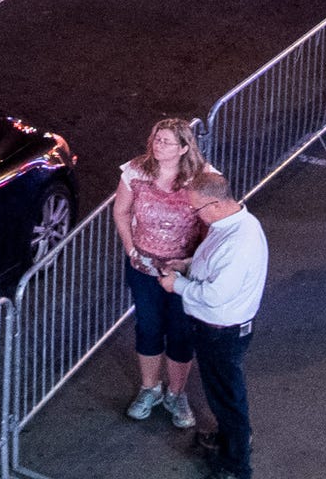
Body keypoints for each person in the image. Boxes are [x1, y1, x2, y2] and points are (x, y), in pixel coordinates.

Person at [111, 118, 213, 430]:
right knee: (149, 327)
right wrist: (131, 250)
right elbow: (121, 211)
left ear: (184, 147)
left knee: (181, 332)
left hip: (184, 273)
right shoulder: (136, 171)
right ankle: (149, 388)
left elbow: (213, 225)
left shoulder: (203, 179)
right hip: (144, 269)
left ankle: (176, 393)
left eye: (167, 141)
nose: (158, 145)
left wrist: (190, 260)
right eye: (157, 139)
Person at [160, 176, 265, 479]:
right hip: (222, 329)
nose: (195, 214)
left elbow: (217, 293)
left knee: (227, 398)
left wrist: (176, 284)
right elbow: (213, 267)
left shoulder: (237, 242)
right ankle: (230, 440)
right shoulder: (234, 226)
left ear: (217, 204)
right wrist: (187, 265)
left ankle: (236, 466)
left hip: (221, 331)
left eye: (197, 209)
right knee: (224, 394)